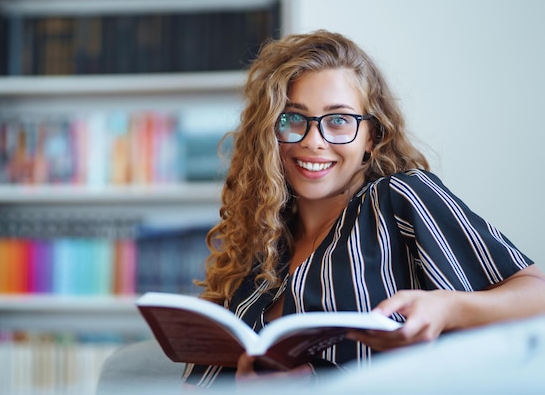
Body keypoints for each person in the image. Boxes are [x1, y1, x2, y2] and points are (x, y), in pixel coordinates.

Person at [182, 30, 545, 388]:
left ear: (371, 137)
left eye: (339, 120)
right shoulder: (264, 244)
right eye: (292, 119)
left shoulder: (399, 197)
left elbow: (537, 295)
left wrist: (446, 308)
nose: (313, 141)